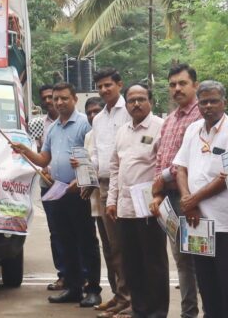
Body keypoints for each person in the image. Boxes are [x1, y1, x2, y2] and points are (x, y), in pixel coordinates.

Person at [11, 82, 101, 308]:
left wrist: (79, 180)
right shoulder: (52, 128)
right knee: (65, 241)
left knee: (86, 241)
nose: (59, 102)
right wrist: (26, 152)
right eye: (55, 98)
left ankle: (93, 290)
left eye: (64, 98)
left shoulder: (84, 125)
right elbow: (44, 159)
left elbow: (92, 158)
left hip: (79, 192)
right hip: (58, 191)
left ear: (74, 99)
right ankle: (73, 287)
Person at [172, 80, 228, 318]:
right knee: (206, 283)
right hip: (197, 222)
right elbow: (181, 167)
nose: (208, 106)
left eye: (213, 101)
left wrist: (192, 199)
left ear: (224, 103)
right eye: (203, 101)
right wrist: (188, 201)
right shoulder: (193, 129)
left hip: (226, 222)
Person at [105, 84, 167, 318]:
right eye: (132, 100)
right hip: (125, 209)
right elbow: (114, 167)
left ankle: (158, 312)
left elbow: (165, 167)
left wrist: (160, 198)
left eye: (141, 99)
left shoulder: (160, 128)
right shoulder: (122, 132)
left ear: (150, 101)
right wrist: (112, 200)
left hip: (149, 208)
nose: (136, 104)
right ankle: (139, 310)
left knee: (154, 264)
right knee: (132, 264)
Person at [151, 63, 201, 318]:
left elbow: (191, 161)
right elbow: (161, 158)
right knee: (181, 260)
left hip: (193, 197)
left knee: (199, 258)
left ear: (195, 86)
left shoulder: (202, 116)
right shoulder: (169, 120)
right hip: (169, 199)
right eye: (172, 84)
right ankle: (188, 312)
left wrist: (163, 177)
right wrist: (158, 193)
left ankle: (208, 310)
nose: (177, 89)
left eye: (182, 83)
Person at [89, 68, 131, 316]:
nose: (104, 90)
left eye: (108, 85)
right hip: (104, 186)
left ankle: (130, 299)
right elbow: (96, 153)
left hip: (126, 186)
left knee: (127, 246)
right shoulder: (98, 119)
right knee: (112, 247)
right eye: (100, 86)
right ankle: (120, 295)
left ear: (119, 84)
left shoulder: (129, 110)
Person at [29, 84, 64, 291]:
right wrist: (44, 170)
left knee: (76, 232)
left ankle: (83, 276)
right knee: (56, 232)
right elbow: (36, 152)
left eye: (53, 97)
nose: (50, 101)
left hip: (69, 185)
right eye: (45, 98)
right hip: (47, 184)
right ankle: (63, 274)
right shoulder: (37, 124)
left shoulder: (76, 122)